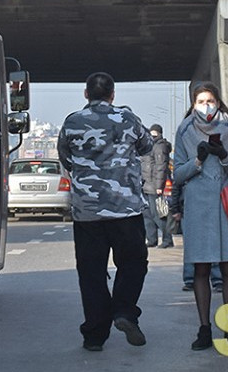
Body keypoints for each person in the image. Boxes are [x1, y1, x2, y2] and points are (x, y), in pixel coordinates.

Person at [57, 72, 154, 352]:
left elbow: (66, 159)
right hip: (125, 210)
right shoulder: (128, 119)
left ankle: (94, 335)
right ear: (113, 94)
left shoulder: (72, 122)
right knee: (134, 262)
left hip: (87, 212)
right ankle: (124, 311)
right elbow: (147, 146)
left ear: (86, 95)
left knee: (91, 272)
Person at [172, 81, 228, 351]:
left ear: (218, 102)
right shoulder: (184, 131)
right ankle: (204, 328)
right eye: (201, 101)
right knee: (200, 269)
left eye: (210, 100)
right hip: (198, 206)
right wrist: (197, 161)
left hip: (227, 204)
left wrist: (225, 157)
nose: (207, 106)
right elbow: (177, 175)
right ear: (193, 104)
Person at [141, 124, 172, 248]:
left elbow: (161, 167)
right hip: (146, 185)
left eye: (155, 133)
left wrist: (159, 186)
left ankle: (167, 239)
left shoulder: (159, 146)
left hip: (155, 186)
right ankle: (152, 239)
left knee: (159, 214)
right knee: (147, 215)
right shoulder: (148, 145)